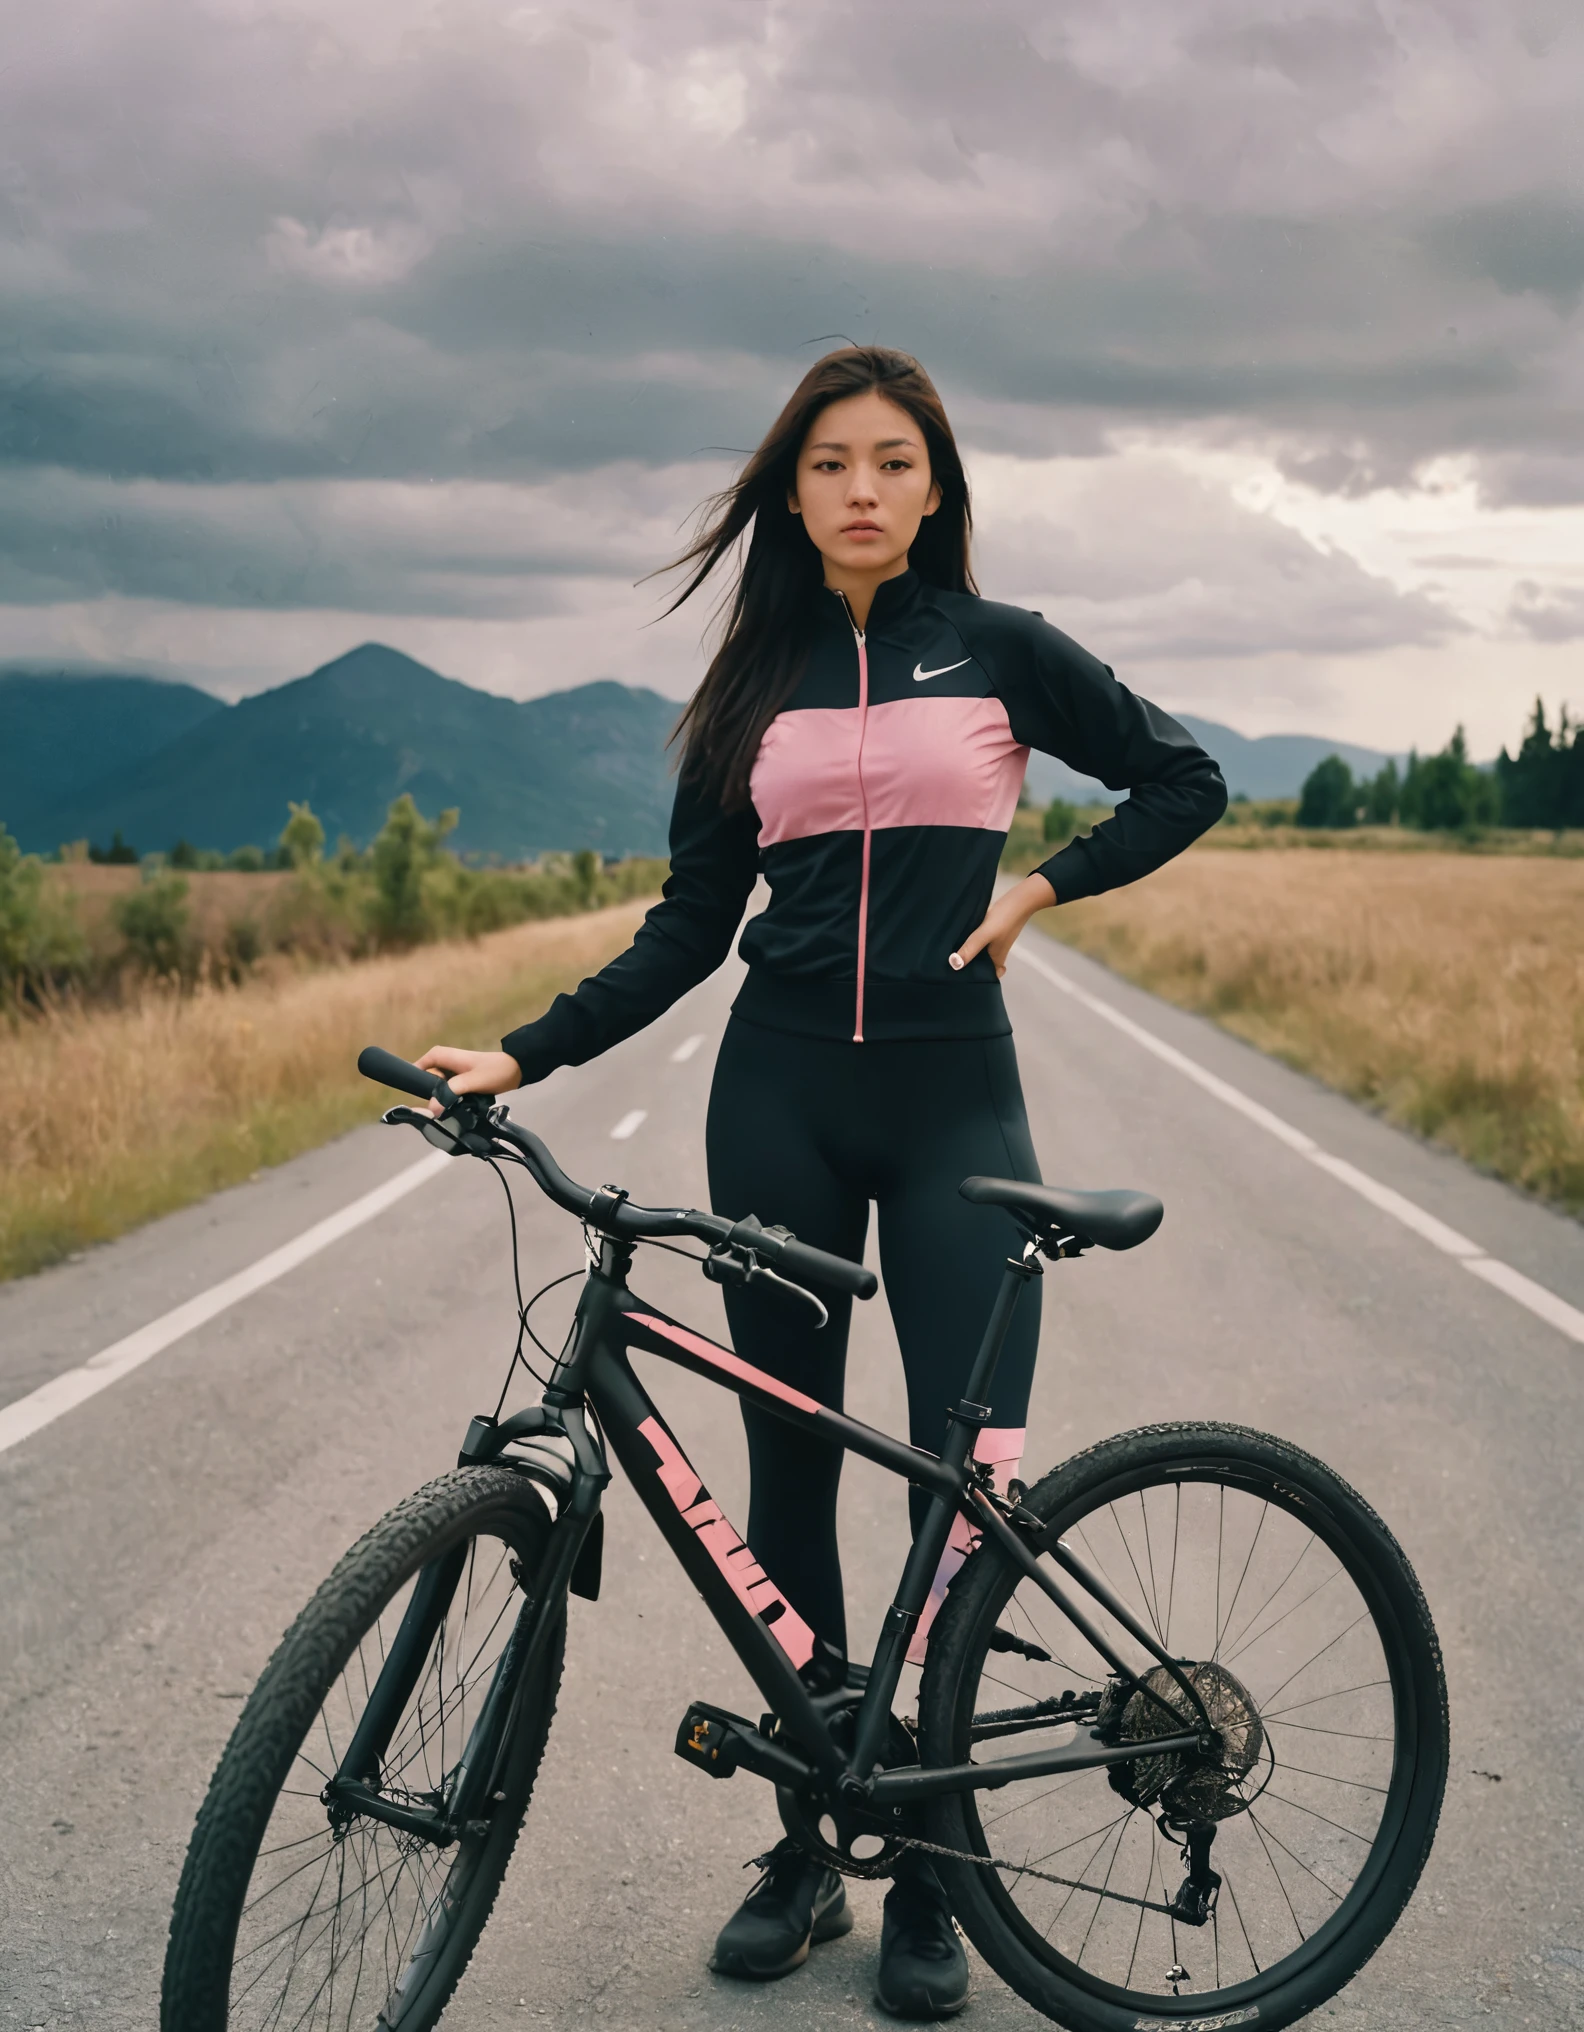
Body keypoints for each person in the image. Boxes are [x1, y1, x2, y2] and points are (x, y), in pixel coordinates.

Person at [418, 346, 1227, 2019]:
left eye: (894, 463)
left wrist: (1045, 890)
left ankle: (935, 1863)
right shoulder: (751, 683)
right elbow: (684, 928)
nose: (862, 488)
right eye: (831, 464)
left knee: (962, 1480)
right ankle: (814, 1834)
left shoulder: (999, 652)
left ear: (935, 490)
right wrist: (526, 1049)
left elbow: (1183, 775)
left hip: (957, 1115)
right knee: (781, 1482)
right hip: (776, 1103)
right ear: (792, 493)